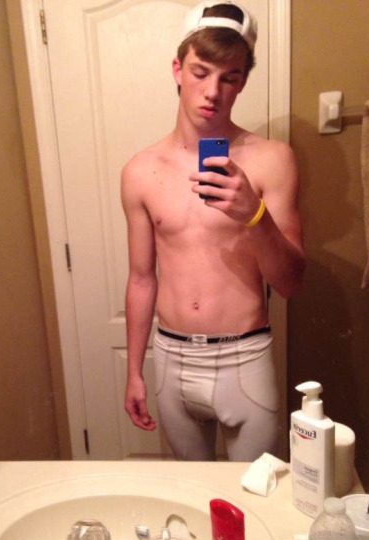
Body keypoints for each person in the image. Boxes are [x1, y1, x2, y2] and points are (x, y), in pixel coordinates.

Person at [122, 1, 305, 461]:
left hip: (244, 358)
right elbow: (142, 279)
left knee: (254, 495)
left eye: (229, 78)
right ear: (178, 69)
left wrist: (255, 215)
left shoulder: (272, 160)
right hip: (172, 359)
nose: (212, 92)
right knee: (189, 494)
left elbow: (290, 283)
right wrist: (134, 371)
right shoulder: (139, 171)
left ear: (242, 82)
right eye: (201, 72)